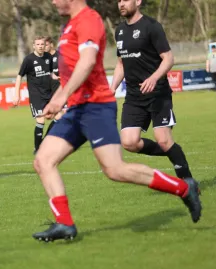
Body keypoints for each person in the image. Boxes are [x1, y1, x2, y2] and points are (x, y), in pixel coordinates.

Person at [31, 0, 202, 242]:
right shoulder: (68, 26)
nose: (53, 1)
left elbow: (88, 61)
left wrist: (61, 95)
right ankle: (65, 224)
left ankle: (184, 188)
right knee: (43, 161)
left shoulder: (89, 20)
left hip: (96, 107)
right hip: (78, 108)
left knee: (115, 170)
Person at [110, 0, 194, 181]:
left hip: (158, 93)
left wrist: (154, 78)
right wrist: (112, 88)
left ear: (138, 1)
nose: (121, 4)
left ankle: (188, 183)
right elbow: (121, 64)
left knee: (163, 139)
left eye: (125, 0)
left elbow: (168, 58)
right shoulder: (120, 31)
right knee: (129, 142)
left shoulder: (152, 26)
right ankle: (172, 152)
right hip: (133, 96)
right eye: (119, 1)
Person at [13, 37, 55, 154]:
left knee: (58, 118)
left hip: (49, 93)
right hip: (36, 95)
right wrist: (16, 94)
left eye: (42, 44)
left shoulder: (48, 57)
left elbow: (51, 74)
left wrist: (59, 79)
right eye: (38, 44)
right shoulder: (29, 59)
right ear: (33, 46)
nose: (40, 46)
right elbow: (19, 76)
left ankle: (44, 142)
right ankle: (38, 149)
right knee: (41, 120)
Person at [45, 36, 66, 129]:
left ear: (51, 45)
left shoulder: (60, 56)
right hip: (50, 92)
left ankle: (47, 139)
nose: (43, 47)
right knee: (57, 117)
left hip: (62, 91)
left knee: (61, 115)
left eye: (45, 45)